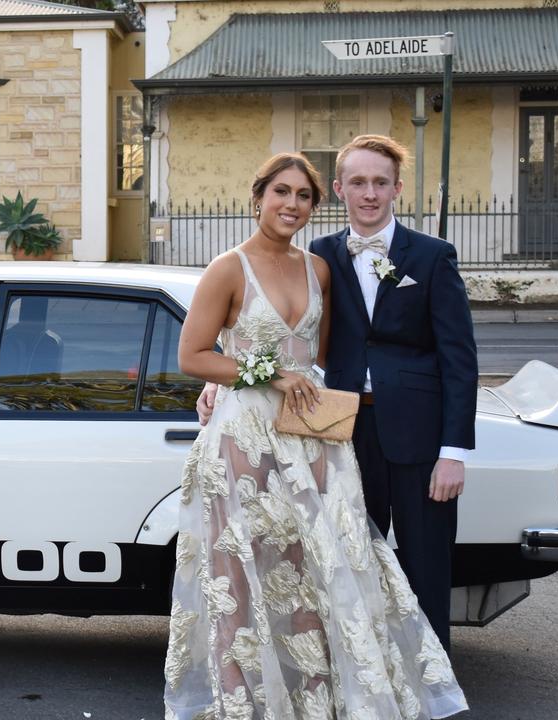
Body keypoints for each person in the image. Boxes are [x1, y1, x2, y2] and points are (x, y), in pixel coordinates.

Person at [166, 152, 467, 719]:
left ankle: (319, 702)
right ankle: (241, 705)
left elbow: (330, 353)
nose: (291, 205)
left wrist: (249, 372)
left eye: (302, 197)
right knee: (238, 576)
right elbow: (194, 353)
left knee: (319, 571)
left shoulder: (321, 266)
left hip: (314, 436)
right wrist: (238, 379)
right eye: (281, 192)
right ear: (258, 196)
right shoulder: (230, 267)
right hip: (245, 440)